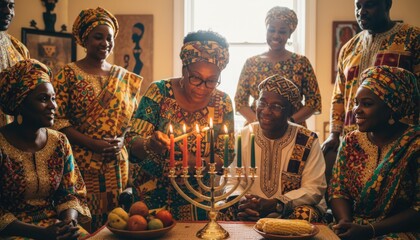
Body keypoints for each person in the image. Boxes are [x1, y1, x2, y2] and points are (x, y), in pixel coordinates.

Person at [125, 30, 235, 221]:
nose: (202, 87)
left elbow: (225, 156)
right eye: (196, 78)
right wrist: (149, 144)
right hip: (150, 202)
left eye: (211, 80)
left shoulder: (222, 102)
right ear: (184, 68)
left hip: (198, 201)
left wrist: (188, 161)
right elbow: (131, 141)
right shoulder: (159, 92)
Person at [52, 7, 143, 231]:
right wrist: (92, 143)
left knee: (118, 220)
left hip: (117, 162)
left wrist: (122, 141)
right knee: (86, 220)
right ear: (85, 39)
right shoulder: (68, 74)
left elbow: (133, 122)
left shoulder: (124, 77)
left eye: (109, 38)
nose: (105, 43)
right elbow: (56, 121)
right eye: (98, 37)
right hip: (82, 162)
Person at [0, 59, 91, 239]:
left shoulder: (59, 141)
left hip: (55, 226)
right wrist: (41, 234)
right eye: (43, 99)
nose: (53, 106)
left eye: (53, 98)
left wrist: (68, 223)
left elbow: (70, 194)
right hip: (14, 231)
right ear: (20, 103)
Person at [329, 66, 419, 239]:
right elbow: (338, 190)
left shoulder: (415, 144)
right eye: (356, 103)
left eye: (367, 104)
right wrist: (346, 224)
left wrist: (370, 230)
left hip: (398, 231)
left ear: (392, 107)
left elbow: (418, 209)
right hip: (354, 227)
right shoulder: (351, 141)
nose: (357, 110)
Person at [224, 75, 327, 223]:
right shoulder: (243, 136)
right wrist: (241, 202)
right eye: (262, 103)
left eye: (276, 106)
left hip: (288, 210)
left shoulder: (307, 140)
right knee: (222, 209)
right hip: (250, 209)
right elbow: (232, 179)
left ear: (290, 111)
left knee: (305, 214)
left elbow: (314, 188)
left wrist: (277, 204)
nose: (266, 111)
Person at [322, 0, 420, 154]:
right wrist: (334, 134)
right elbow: (339, 95)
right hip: (354, 142)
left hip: (398, 141)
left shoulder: (413, 39)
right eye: (358, 6)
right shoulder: (349, 48)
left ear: (387, 5)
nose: (361, 12)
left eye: (369, 5)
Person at [234, 6, 321, 126]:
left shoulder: (301, 63)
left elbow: (314, 102)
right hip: (257, 129)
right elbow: (240, 102)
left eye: (282, 31)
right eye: (271, 30)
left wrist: (289, 122)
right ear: (266, 30)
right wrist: (259, 123)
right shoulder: (251, 63)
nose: (276, 35)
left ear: (290, 34)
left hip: (293, 129)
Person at [0, 0, 30, 127]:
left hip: (12, 135)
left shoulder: (19, 49)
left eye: (11, 6)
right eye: (1, 5)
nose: (8, 11)